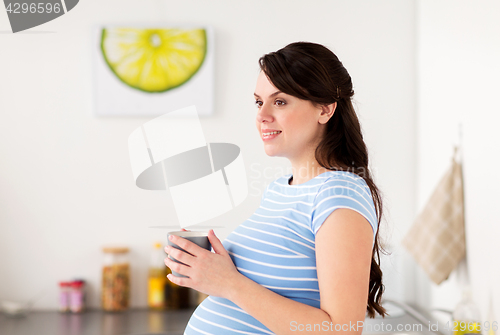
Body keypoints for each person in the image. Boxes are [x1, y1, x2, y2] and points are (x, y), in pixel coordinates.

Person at [164, 41, 387, 335]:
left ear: (325, 109)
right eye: (259, 102)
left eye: (279, 102)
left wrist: (229, 283)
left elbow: (342, 330)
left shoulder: (339, 193)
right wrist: (211, 270)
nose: (262, 115)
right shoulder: (281, 189)